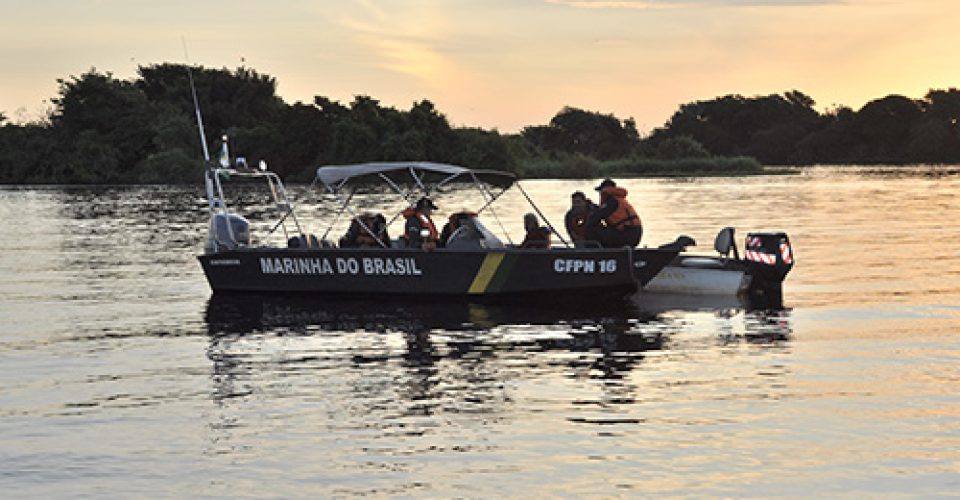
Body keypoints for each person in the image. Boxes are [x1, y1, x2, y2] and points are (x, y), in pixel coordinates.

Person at [585, 178, 642, 248]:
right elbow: (602, 211)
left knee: (591, 228)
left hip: (626, 234)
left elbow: (597, 217)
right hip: (632, 234)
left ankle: (593, 251)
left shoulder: (612, 202)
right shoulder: (618, 200)